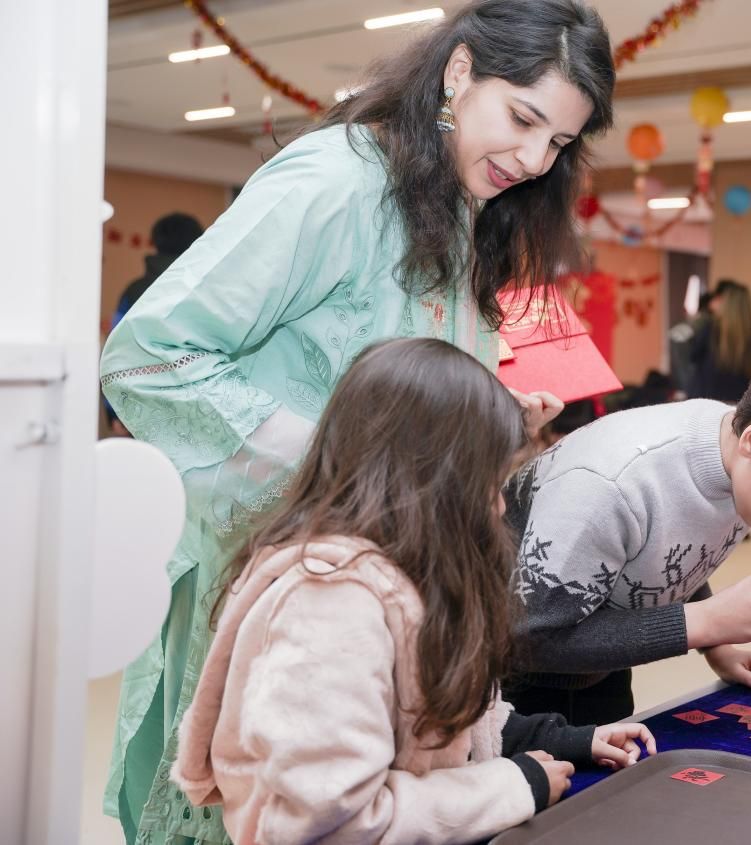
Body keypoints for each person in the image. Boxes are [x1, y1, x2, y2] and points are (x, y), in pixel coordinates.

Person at [97, 2, 615, 842]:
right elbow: (148, 356)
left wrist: (489, 423)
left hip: (384, 590)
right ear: (459, 73)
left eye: (558, 142)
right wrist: (343, 464)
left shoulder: (463, 209)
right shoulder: (335, 183)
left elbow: (402, 402)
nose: (532, 159)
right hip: (287, 589)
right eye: (522, 119)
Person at [172, 338, 654, 844]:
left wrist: (569, 740)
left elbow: (452, 726)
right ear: (432, 480)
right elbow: (331, 822)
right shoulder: (332, 604)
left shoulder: (401, 578)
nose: (496, 508)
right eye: (489, 484)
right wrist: (514, 786)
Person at [503, 330, 751, 724]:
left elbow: (669, 548)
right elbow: (529, 639)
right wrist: (706, 622)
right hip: (509, 689)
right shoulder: (609, 485)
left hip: (597, 668)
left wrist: (717, 645)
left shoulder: (734, 450)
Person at [104, 212, 204, 436]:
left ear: (155, 242)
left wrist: (114, 411)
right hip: (196, 413)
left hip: (139, 408)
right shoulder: (204, 290)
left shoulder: (134, 291)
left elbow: (115, 353)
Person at [689, 280, 751, 403]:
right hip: (738, 400)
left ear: (728, 304)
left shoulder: (710, 329)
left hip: (706, 400)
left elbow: (693, 356)